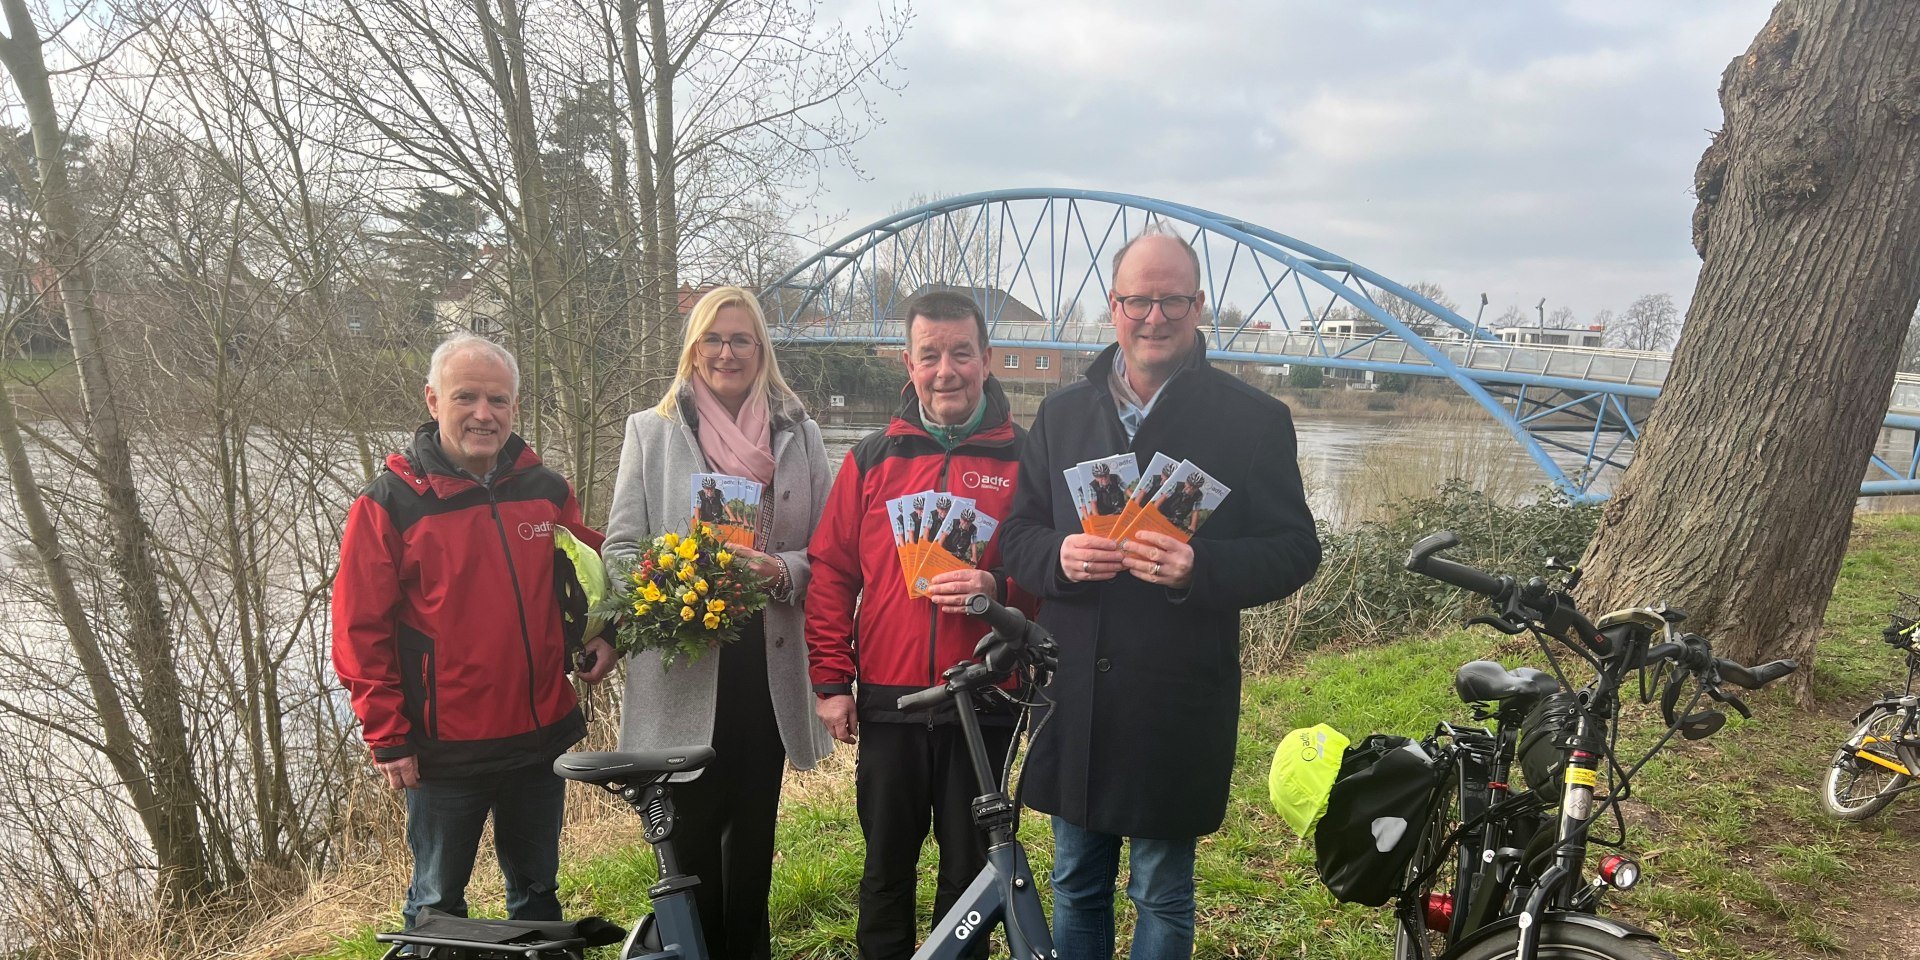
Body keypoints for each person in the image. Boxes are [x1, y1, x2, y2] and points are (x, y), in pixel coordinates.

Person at [998, 227, 1322, 960]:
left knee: (1161, 890)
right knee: (1076, 880)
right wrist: (1059, 555)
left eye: (1172, 299)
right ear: (1113, 306)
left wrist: (1197, 568)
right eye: (1138, 299)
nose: (1154, 316)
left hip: (1178, 693)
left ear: (1198, 304)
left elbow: (1297, 551)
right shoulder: (1060, 415)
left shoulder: (1253, 420)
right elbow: (1016, 535)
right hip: (1076, 690)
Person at [332, 334, 617, 928]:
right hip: (444, 748)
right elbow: (359, 630)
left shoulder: (546, 491)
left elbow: (586, 578)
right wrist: (387, 733)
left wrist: (604, 634)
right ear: (433, 400)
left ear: (515, 407)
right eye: (467, 397)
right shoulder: (390, 504)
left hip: (538, 736)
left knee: (537, 896)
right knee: (437, 906)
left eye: (499, 400)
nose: (483, 414)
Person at [603, 286, 834, 960]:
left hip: (764, 669)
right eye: (713, 339)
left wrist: (780, 570)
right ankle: (688, 951)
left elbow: (826, 553)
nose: (727, 352)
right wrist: (668, 586)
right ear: (694, 350)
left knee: (753, 839)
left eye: (741, 339)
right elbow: (619, 551)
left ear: (761, 350)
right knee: (691, 840)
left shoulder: (801, 434)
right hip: (684, 664)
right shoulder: (651, 430)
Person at [806, 290, 1035, 960]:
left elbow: (1050, 579)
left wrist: (1001, 588)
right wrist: (831, 680)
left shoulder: (1025, 460)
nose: (946, 371)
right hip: (890, 699)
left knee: (969, 881)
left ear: (987, 360)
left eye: (961, 353)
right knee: (885, 872)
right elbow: (830, 574)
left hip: (986, 697)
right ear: (908, 362)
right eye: (930, 355)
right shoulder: (871, 460)